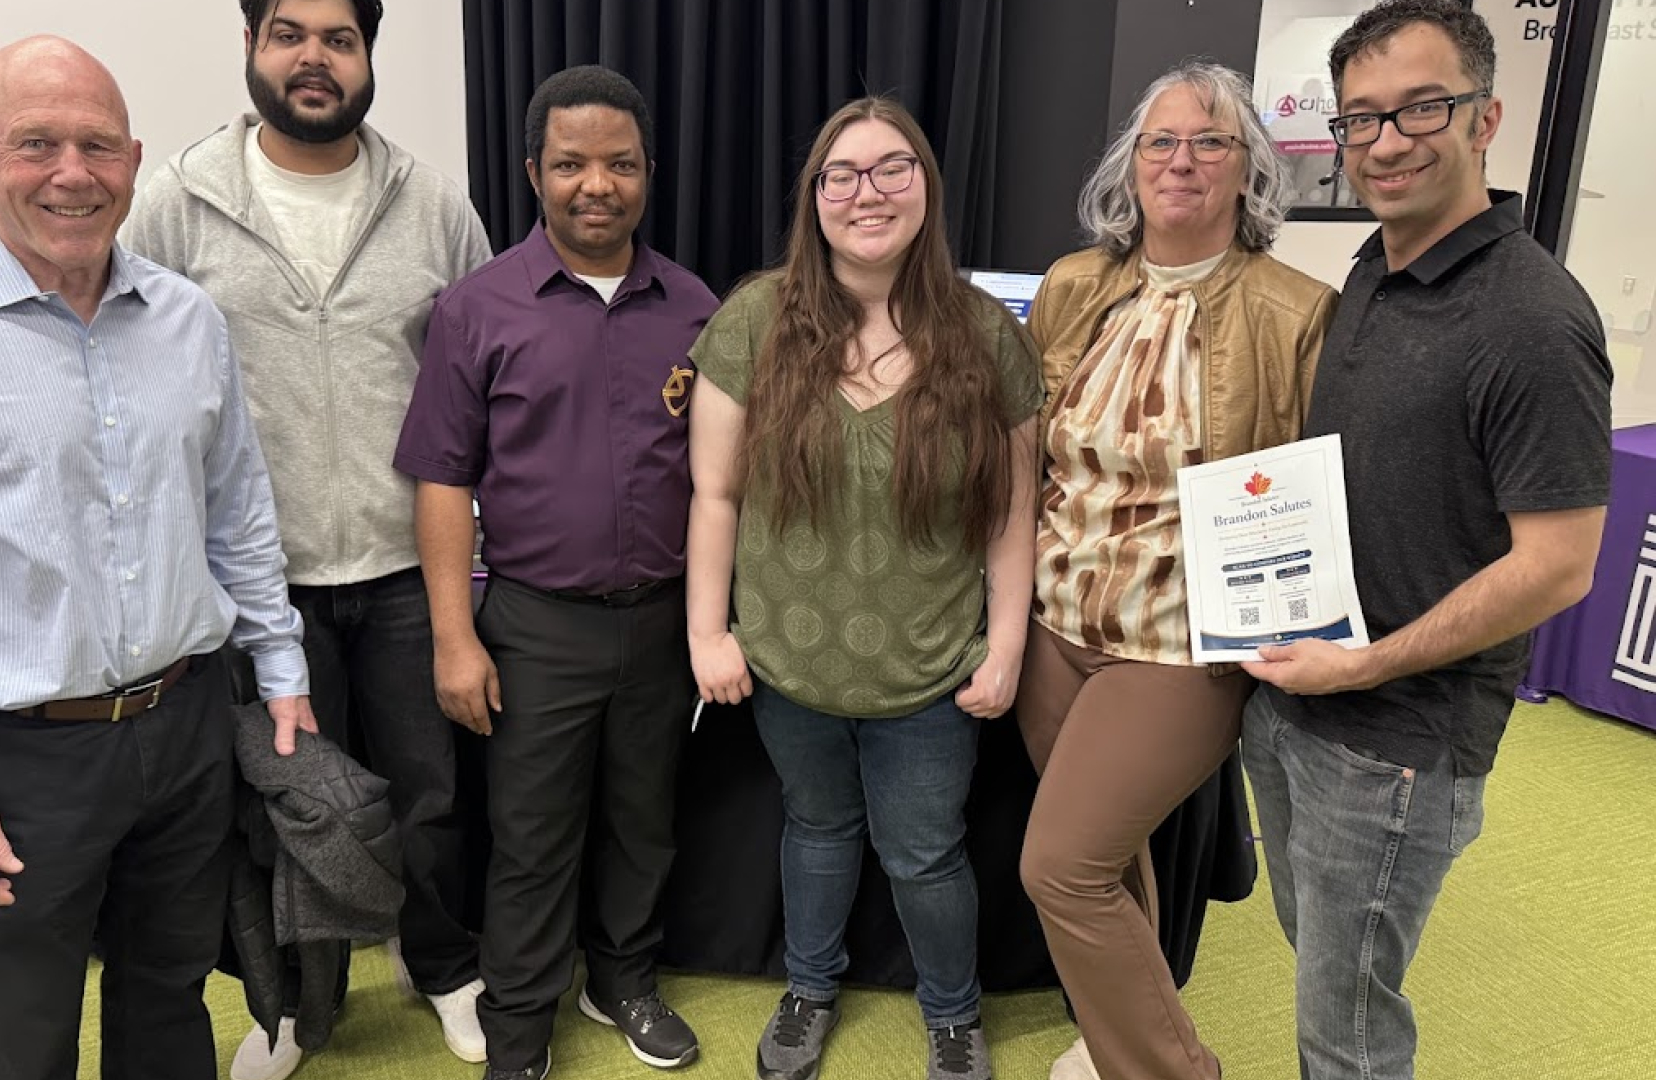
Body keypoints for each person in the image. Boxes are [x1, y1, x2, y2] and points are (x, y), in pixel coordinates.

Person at [0, 36, 317, 1080]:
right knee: (19, 1037)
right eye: (36, 144)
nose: (72, 174)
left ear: (133, 160)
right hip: (11, 760)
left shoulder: (187, 320)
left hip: (184, 727)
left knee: (170, 1002)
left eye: (98, 145)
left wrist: (283, 664)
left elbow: (237, 512)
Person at [1239, 4, 1611, 1079]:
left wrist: (1363, 664)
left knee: (1346, 1031)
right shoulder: (1372, 269)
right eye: (1361, 118)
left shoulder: (1534, 321)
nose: (1388, 140)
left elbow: (1558, 564)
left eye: (1422, 108)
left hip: (1395, 743)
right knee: (1321, 963)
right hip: (1297, 698)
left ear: (1486, 117)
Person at [124, 0, 494, 1072]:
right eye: (291, 34)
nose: (315, 59)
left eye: (340, 38)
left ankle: (443, 965)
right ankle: (292, 1009)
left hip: (403, 568)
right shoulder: (176, 203)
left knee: (426, 797)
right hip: (253, 582)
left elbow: (473, 386)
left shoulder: (428, 202)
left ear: (367, 54)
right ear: (250, 47)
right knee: (284, 809)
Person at [685, 96, 1043, 1080]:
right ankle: (808, 989)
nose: (867, 191)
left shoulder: (984, 336)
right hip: (789, 657)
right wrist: (706, 632)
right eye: (842, 174)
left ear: (926, 187)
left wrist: (1006, 643)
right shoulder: (754, 318)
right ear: (815, 197)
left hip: (930, 666)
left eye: (893, 169)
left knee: (926, 854)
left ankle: (954, 1016)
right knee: (816, 826)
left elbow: (1014, 514)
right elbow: (714, 492)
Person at [395, 64, 716, 1080]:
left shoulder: (695, 308)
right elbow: (441, 481)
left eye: (620, 164)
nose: (598, 184)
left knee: (643, 822)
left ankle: (620, 978)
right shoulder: (476, 309)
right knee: (530, 838)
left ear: (648, 174)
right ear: (534, 171)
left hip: (662, 620)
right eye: (572, 163)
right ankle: (522, 1025)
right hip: (535, 623)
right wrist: (455, 639)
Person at [1015, 61, 1335, 1080]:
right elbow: (1032, 452)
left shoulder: (1296, 312)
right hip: (1054, 625)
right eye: (1162, 141)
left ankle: (1168, 1068)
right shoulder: (1073, 288)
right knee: (1111, 862)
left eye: (1211, 142)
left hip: (1181, 644)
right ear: (1132, 164)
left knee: (1060, 865)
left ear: (1250, 170)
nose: (1182, 161)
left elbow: (1313, 492)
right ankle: (1114, 1044)